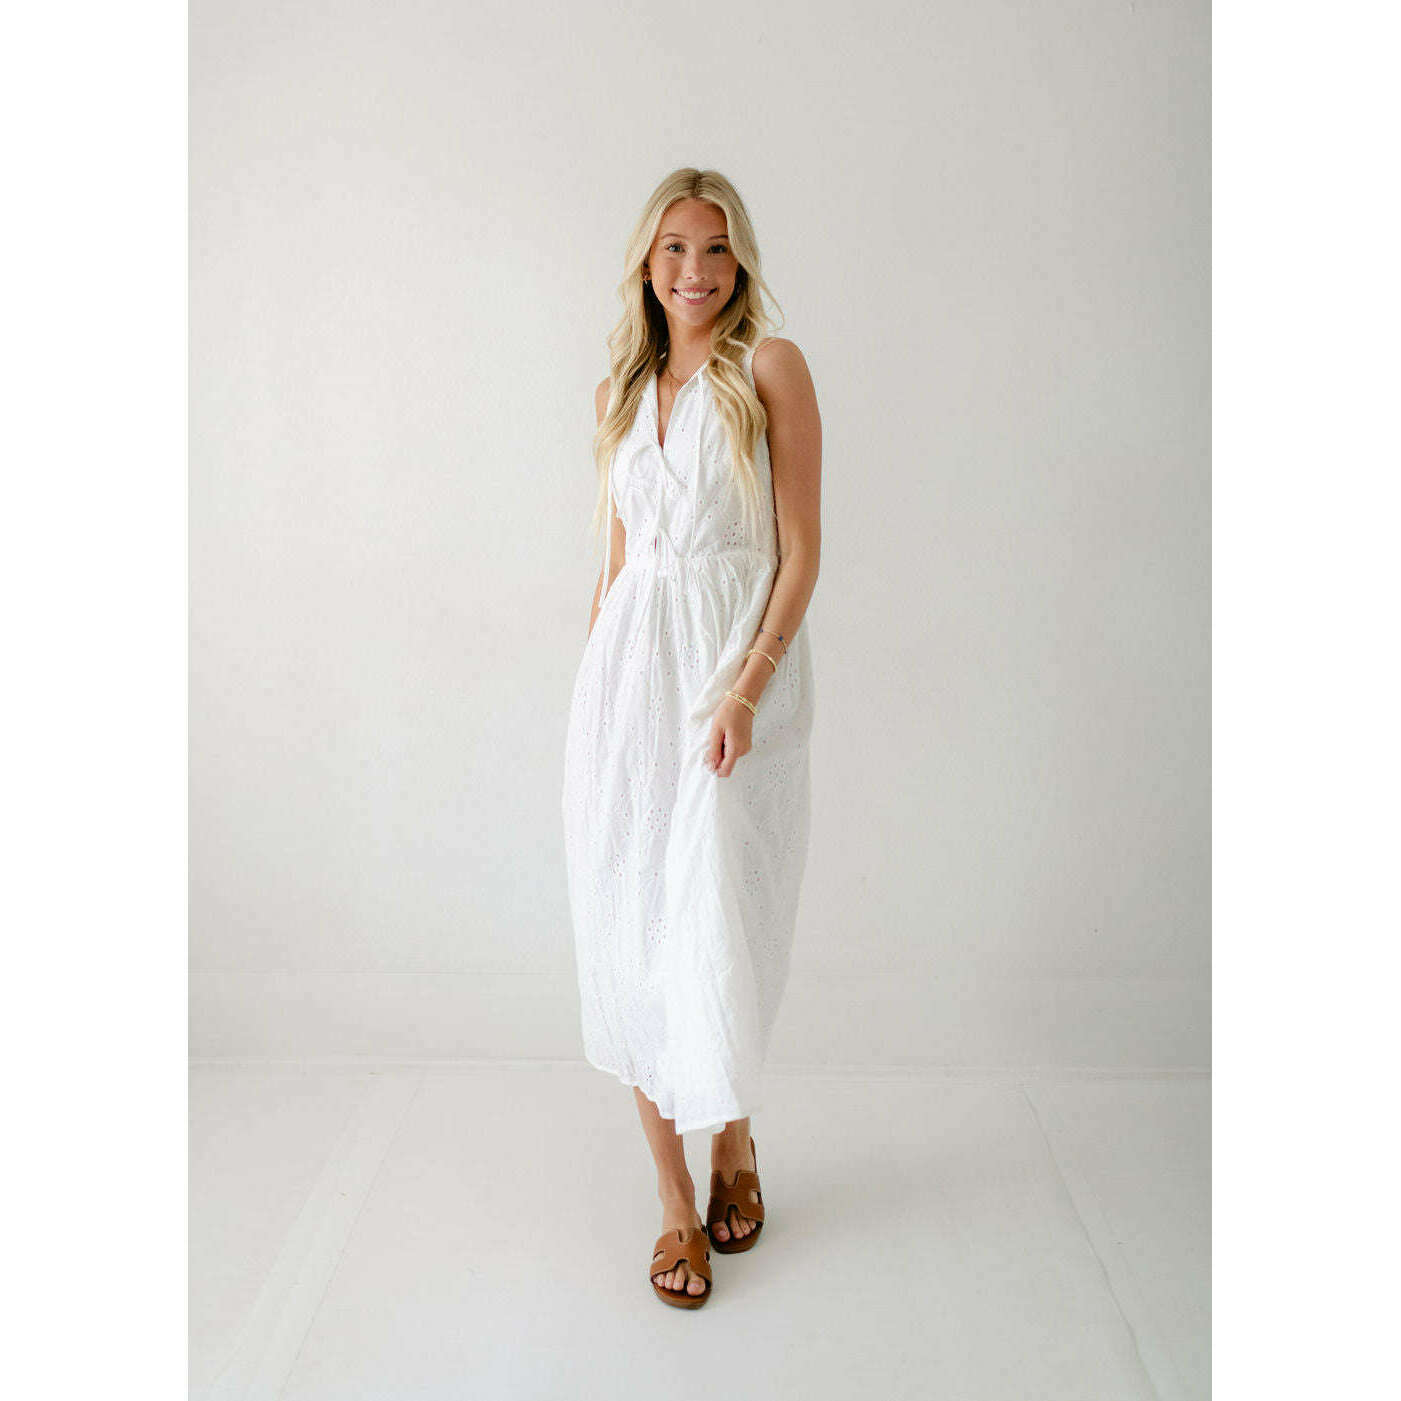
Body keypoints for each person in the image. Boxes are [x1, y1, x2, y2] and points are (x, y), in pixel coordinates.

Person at [561, 168, 822, 1309]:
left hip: (729, 678)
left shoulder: (769, 369)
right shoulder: (620, 390)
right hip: (627, 689)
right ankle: (675, 1198)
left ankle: (735, 1137)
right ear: (645, 262)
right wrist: (595, 706)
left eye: (716, 248)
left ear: (740, 261)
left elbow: (800, 549)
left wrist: (746, 692)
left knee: (719, 920)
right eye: (674, 247)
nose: (695, 270)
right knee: (630, 924)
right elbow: (618, 565)